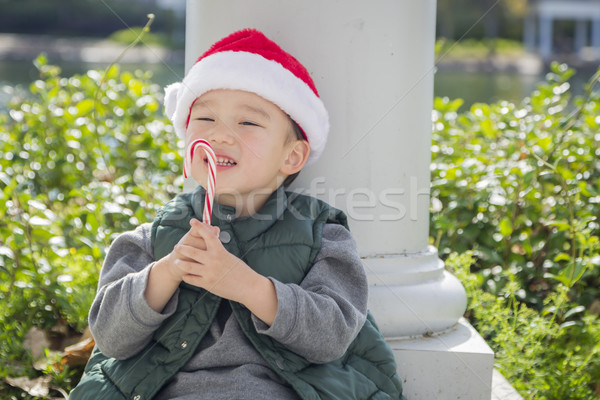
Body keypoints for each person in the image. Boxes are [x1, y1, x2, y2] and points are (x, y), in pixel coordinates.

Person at [70, 28, 406, 400]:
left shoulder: (322, 236)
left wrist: (245, 285)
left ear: (291, 156)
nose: (220, 136)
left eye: (247, 123)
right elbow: (111, 337)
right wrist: (167, 271)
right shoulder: (152, 237)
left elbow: (332, 337)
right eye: (205, 120)